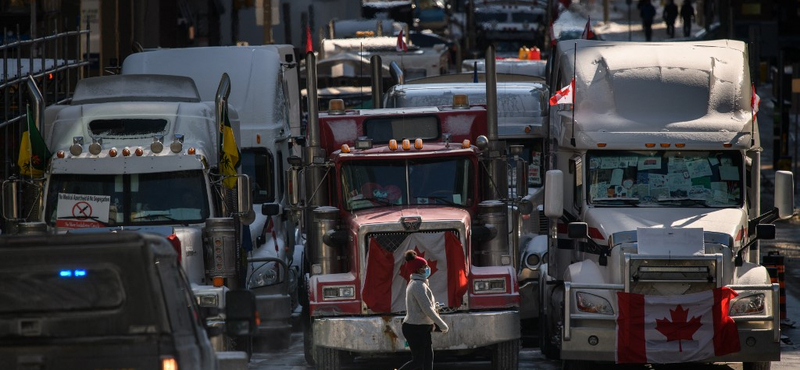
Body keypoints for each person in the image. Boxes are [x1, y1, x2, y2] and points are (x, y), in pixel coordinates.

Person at [397, 250, 449, 370]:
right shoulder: (417, 285)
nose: (427, 268)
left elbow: (424, 305)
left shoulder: (420, 284)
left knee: (427, 360)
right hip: (414, 328)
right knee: (418, 361)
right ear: (418, 270)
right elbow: (427, 309)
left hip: (421, 327)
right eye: (424, 266)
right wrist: (442, 325)